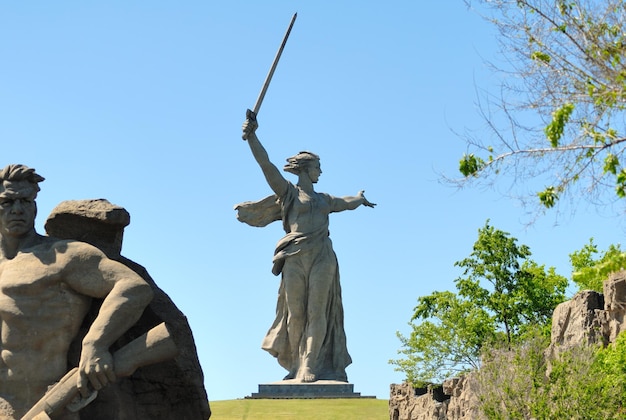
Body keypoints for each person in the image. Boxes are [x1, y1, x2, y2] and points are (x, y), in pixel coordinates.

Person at [0, 164, 153, 419]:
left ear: (35, 205)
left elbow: (133, 287)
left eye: (25, 201)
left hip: (47, 407)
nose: (17, 209)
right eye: (7, 202)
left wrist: (95, 344)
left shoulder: (63, 256)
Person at [236, 116, 375, 383]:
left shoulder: (325, 199)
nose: (321, 172)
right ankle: (297, 364)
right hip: (294, 257)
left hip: (322, 256)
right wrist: (252, 137)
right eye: (318, 167)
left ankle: (310, 365)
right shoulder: (288, 193)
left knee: (317, 311)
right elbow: (267, 166)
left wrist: (359, 198)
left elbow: (346, 202)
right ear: (305, 169)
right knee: (296, 313)